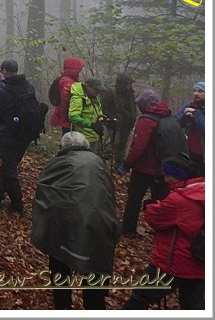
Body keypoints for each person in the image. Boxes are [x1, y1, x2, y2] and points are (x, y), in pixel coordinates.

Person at [31, 131, 119, 310]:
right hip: (99, 221)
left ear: (63, 146)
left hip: (64, 225)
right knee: (94, 268)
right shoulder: (97, 162)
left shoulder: (57, 163)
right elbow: (109, 193)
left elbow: (44, 194)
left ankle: (63, 307)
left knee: (59, 263)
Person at [123, 153, 204, 310]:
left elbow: (155, 218)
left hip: (173, 262)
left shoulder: (178, 200)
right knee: (193, 306)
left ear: (179, 176)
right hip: (199, 265)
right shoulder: (203, 193)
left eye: (168, 176)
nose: (165, 180)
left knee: (140, 298)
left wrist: (149, 207)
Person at [117, 89, 174, 236]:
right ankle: (161, 231)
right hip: (162, 169)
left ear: (144, 104)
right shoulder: (166, 116)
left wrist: (127, 164)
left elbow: (138, 146)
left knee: (134, 198)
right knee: (161, 200)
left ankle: (128, 230)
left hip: (144, 168)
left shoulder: (146, 120)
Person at [0, 59, 38, 215]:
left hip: (9, 135)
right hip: (27, 135)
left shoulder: (4, 92)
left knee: (9, 170)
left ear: (4, 71)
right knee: (8, 165)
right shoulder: (29, 86)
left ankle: (17, 204)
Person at [100, 74, 138, 166]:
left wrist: (131, 123)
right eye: (127, 84)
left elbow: (133, 111)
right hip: (113, 125)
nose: (129, 86)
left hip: (126, 125)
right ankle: (103, 165)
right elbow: (103, 108)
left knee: (121, 147)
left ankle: (118, 165)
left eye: (130, 84)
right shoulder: (110, 92)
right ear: (121, 84)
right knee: (111, 146)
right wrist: (112, 119)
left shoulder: (130, 94)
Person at [175, 82, 205, 179]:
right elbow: (175, 124)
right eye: (194, 91)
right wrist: (184, 117)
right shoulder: (189, 106)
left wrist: (197, 114)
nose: (196, 94)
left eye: (200, 91)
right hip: (190, 152)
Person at [49, 56, 85, 133]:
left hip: (71, 115)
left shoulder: (71, 80)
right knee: (68, 137)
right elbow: (65, 103)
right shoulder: (67, 82)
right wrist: (65, 123)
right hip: (68, 118)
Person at [67, 77, 105, 148]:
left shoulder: (93, 97)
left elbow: (97, 112)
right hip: (83, 138)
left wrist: (104, 119)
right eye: (96, 89)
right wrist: (91, 125)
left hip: (95, 135)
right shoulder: (78, 98)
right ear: (88, 87)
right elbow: (73, 117)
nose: (98, 91)